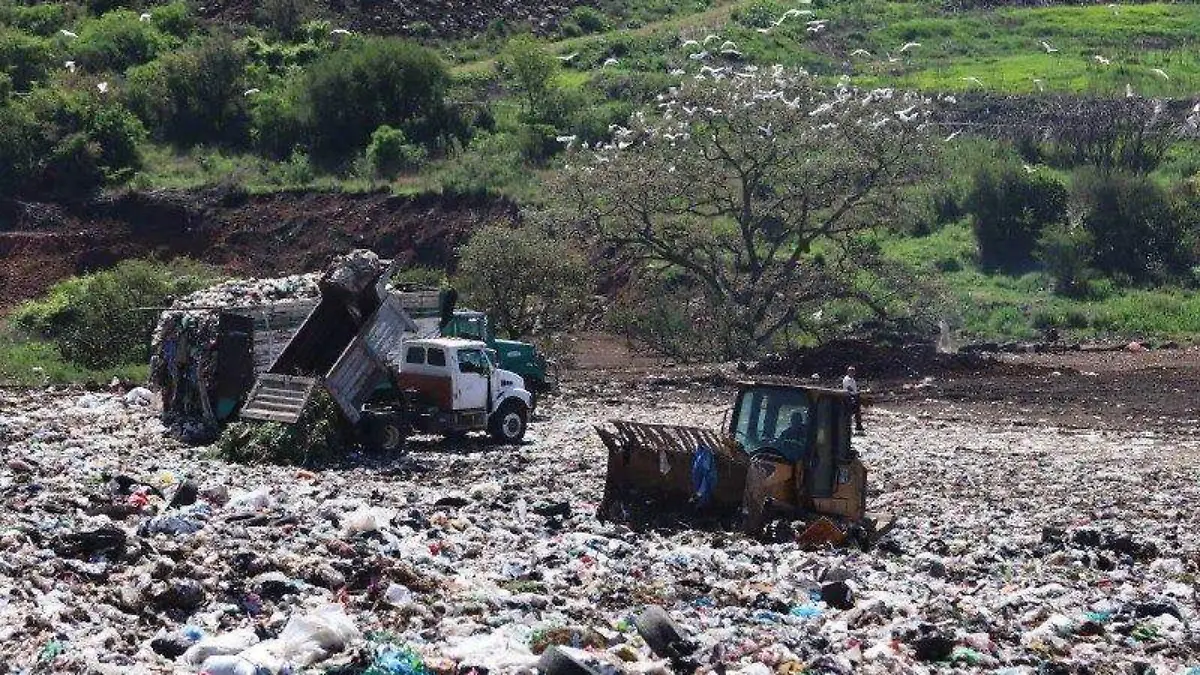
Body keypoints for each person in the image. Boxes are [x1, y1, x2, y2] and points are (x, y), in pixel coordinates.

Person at [842, 366, 864, 433]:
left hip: (853, 395)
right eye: (851, 371)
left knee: (857, 411)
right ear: (848, 372)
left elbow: (854, 389)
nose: (852, 373)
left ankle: (858, 425)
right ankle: (849, 425)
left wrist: (858, 392)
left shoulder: (852, 379)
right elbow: (849, 388)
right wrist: (856, 393)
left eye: (853, 372)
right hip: (848, 396)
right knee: (852, 411)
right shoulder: (847, 379)